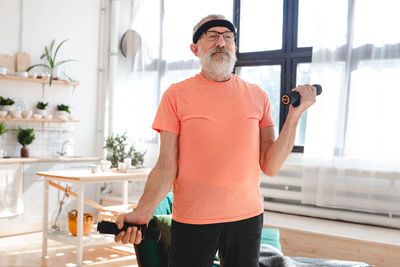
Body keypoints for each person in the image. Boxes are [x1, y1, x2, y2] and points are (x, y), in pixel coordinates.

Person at [114, 14, 317, 267]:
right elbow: (166, 165)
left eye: (228, 37)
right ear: (195, 48)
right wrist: (142, 212)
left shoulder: (258, 96)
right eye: (212, 36)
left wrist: (294, 117)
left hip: (247, 218)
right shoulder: (176, 95)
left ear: (234, 47)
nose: (221, 42)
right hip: (193, 219)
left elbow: (271, 165)